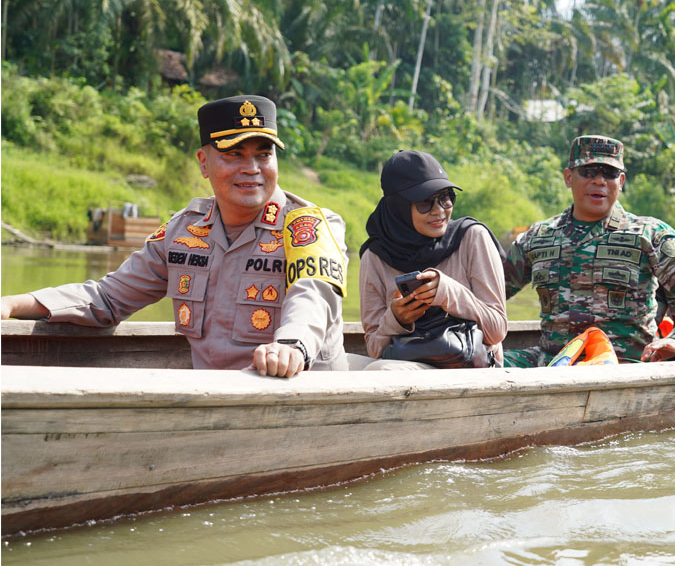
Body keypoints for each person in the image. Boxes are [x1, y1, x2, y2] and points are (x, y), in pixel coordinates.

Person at [1, 95, 347, 378]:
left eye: (263, 154)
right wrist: (13, 304)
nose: (252, 169)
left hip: (293, 390)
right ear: (203, 162)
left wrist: (291, 347)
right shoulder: (184, 231)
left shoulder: (310, 226)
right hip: (212, 397)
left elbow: (313, 297)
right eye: (233, 154)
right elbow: (107, 298)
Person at [503, 135, 675, 367]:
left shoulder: (647, 235)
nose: (599, 181)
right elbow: (491, 290)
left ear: (621, 181)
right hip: (553, 361)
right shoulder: (539, 237)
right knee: (477, 364)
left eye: (609, 174)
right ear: (569, 177)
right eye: (589, 172)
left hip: (623, 366)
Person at [356, 149, 507, 369]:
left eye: (445, 198)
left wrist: (447, 292)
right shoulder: (375, 257)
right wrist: (398, 319)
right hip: (406, 362)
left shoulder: (472, 238)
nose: (439, 211)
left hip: (471, 367)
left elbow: (497, 329)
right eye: (425, 203)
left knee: (382, 371)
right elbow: (375, 348)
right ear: (399, 208)